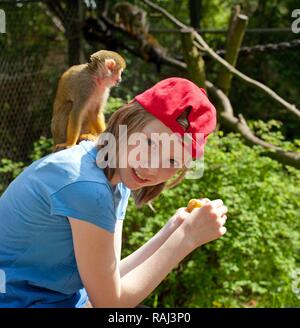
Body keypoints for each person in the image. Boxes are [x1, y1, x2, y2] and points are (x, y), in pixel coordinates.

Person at [0, 77, 228, 308]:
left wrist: (173, 229)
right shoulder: (88, 187)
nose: (151, 167)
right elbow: (110, 305)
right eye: (149, 143)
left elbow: (110, 279)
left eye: (171, 160)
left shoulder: (115, 178)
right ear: (127, 122)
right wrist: (186, 238)